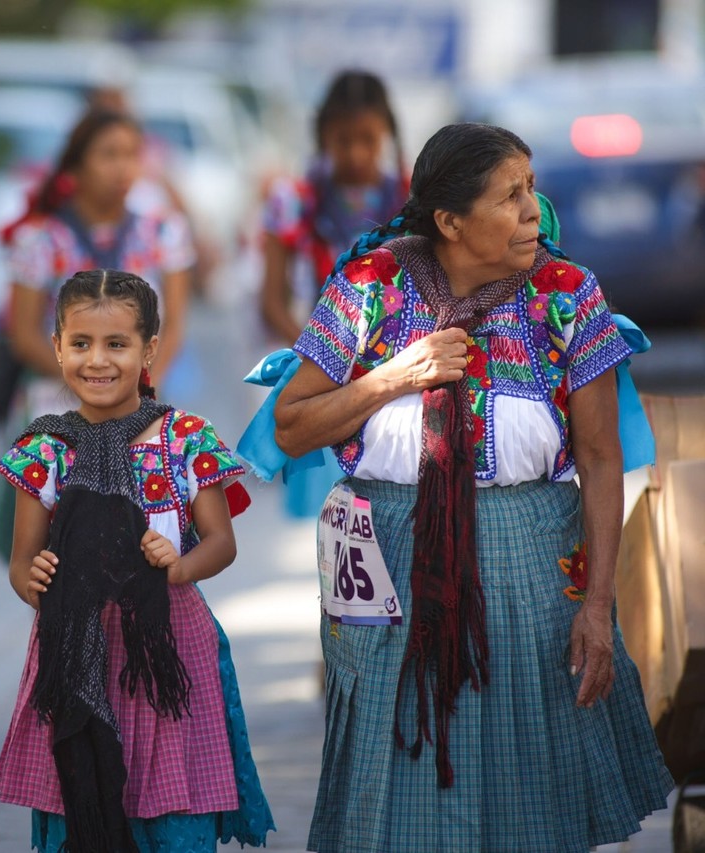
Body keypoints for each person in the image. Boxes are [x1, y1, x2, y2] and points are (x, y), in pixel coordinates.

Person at [262, 122, 671, 850]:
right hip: (391, 561)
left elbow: (602, 457)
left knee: (531, 790)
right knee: (398, 779)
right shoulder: (369, 288)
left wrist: (600, 605)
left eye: (530, 188)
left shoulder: (568, 296)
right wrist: (395, 375)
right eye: (509, 196)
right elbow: (292, 426)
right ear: (449, 221)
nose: (531, 211)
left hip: (532, 565)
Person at [0, 269, 273, 852]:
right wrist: (33, 577)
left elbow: (221, 541)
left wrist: (179, 565)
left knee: (171, 806)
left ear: (149, 350)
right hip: (75, 654)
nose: (98, 361)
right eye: (81, 344)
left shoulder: (184, 438)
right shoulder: (42, 448)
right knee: (86, 803)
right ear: (57, 348)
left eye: (116, 344)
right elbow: (22, 562)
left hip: (169, 654)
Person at [0, 108, 196, 559]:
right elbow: (23, 333)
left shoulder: (162, 231)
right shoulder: (42, 237)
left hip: (139, 402)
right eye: (108, 155)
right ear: (76, 166)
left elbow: (176, 321)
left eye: (131, 155)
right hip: (57, 400)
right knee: (50, 546)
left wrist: (138, 385)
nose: (123, 168)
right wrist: (90, 380)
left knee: (141, 537)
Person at [255, 70, 408, 519]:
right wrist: (321, 356)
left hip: (393, 372)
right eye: (343, 140)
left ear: (387, 133)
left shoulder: (411, 196)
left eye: (368, 138)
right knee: (330, 521)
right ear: (322, 136)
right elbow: (272, 300)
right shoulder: (293, 200)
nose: (357, 153)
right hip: (320, 375)